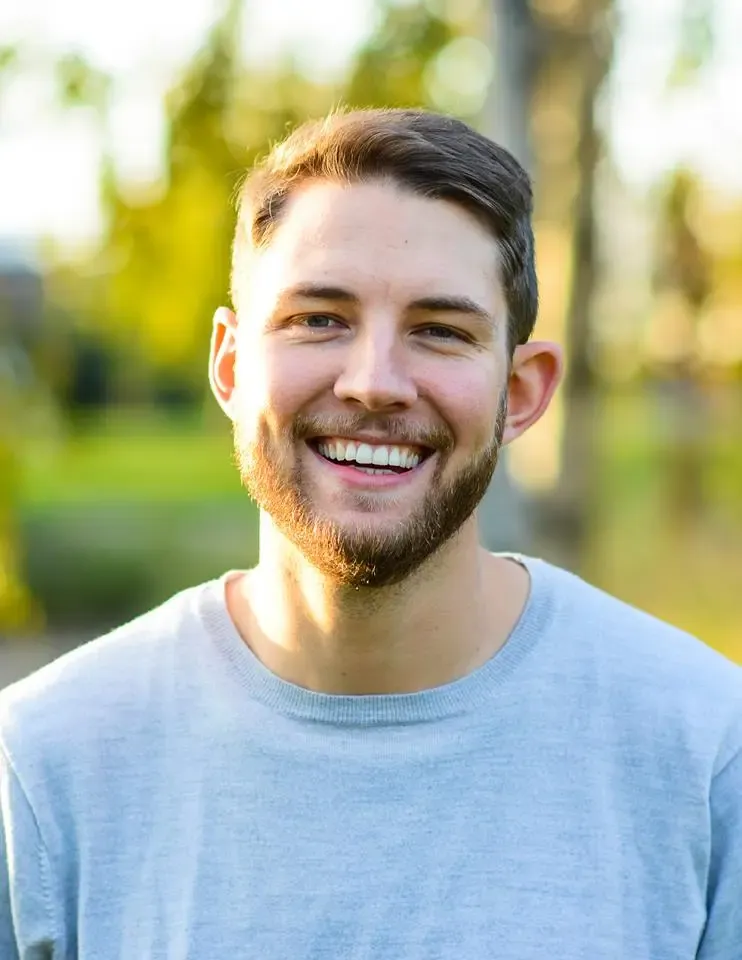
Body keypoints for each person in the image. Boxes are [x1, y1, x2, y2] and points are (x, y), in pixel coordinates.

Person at [1, 108, 740, 960]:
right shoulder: (43, 770)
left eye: (440, 331)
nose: (375, 384)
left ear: (525, 390)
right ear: (233, 367)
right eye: (320, 318)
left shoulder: (706, 752)